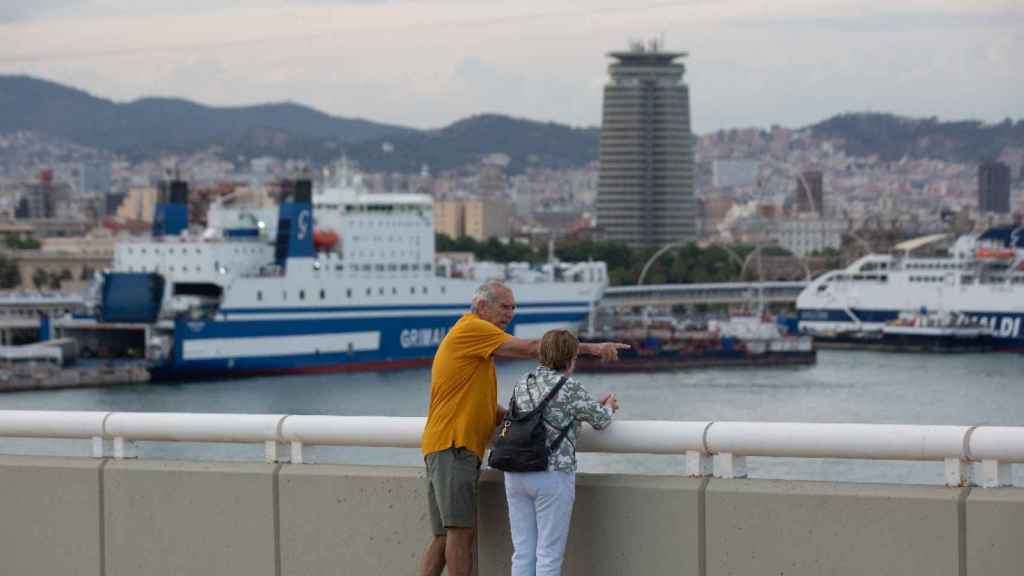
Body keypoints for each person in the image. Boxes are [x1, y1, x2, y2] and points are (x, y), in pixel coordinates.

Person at [419, 281, 627, 576]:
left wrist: (532, 417)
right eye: (504, 306)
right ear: (481, 306)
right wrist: (592, 347)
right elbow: (533, 347)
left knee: (445, 535)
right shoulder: (472, 329)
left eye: (514, 307)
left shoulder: (476, 350)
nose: (511, 313)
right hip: (456, 444)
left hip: (443, 443)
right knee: (460, 532)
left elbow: (494, 410)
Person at [503, 329, 619, 576]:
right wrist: (608, 406)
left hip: (515, 471)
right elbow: (600, 420)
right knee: (548, 555)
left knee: (523, 552)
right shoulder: (569, 387)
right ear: (572, 357)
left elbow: (538, 414)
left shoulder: (523, 382)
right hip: (551, 473)